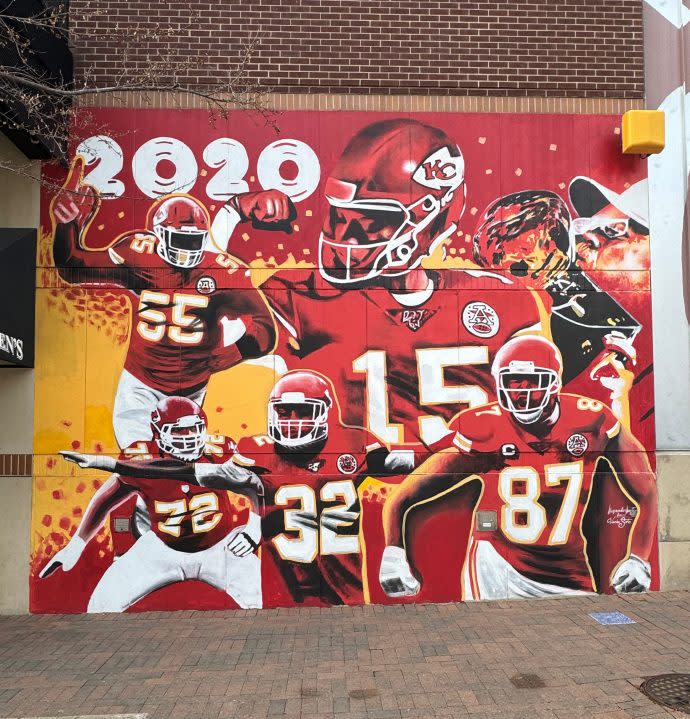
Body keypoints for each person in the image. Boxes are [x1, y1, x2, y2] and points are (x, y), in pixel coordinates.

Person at [219, 119, 551, 449]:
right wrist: (230, 213)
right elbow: (194, 320)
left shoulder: (501, 301)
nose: (347, 238)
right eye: (341, 217)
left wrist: (233, 213)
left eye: (373, 221)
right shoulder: (300, 296)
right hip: (355, 484)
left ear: (434, 217)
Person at [63, 370, 419, 606]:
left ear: (325, 411)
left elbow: (415, 466)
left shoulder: (355, 444)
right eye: (286, 412)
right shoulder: (256, 450)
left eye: (302, 411)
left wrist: (454, 449)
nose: (292, 422)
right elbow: (198, 474)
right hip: (275, 573)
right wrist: (111, 464)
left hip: (341, 577)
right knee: (102, 604)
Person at [378, 335, 657, 600]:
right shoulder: (484, 427)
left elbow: (645, 489)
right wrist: (393, 551)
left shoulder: (592, 420)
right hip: (498, 566)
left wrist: (639, 558)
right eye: (513, 382)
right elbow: (406, 495)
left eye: (532, 382)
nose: (522, 393)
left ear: (553, 384)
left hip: (568, 569)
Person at [51, 156, 283, 448]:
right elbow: (73, 267)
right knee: (140, 460)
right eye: (180, 240)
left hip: (192, 390)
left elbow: (264, 330)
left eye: (195, 240)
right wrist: (66, 225)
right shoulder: (139, 256)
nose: (188, 249)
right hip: (141, 385)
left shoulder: (221, 271)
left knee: (178, 463)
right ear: (158, 236)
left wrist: (223, 358)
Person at [42, 396, 263, 612]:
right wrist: (77, 544)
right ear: (157, 434)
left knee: (256, 603)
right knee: (101, 603)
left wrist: (253, 527)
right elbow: (108, 498)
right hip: (162, 549)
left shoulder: (219, 451)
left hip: (221, 547)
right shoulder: (140, 456)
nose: (189, 437)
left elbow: (255, 485)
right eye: (178, 430)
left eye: (195, 428)